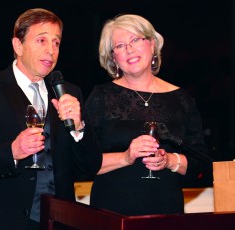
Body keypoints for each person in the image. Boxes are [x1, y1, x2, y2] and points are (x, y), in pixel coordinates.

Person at [0, 8, 102, 230]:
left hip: (58, 222)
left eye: (56, 43)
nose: (51, 50)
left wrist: (79, 129)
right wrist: (11, 152)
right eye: (41, 40)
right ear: (17, 46)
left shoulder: (69, 93)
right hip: (3, 222)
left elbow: (90, 166)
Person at [85, 14, 212, 216]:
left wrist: (170, 160)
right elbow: (82, 162)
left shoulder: (182, 99)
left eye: (135, 40)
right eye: (119, 45)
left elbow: (203, 166)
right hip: (112, 216)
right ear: (113, 58)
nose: (129, 49)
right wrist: (126, 157)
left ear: (152, 45)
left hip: (166, 214)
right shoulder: (101, 97)